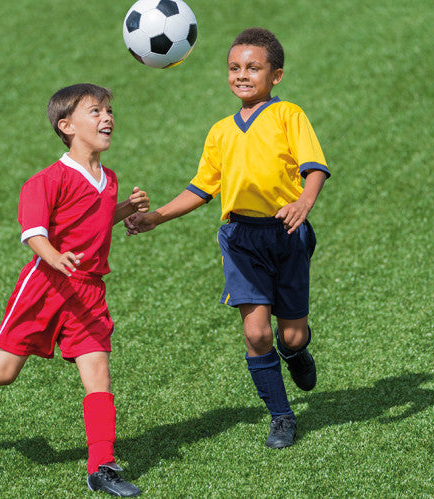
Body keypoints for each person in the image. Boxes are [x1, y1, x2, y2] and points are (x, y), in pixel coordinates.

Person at [0, 83, 147, 497]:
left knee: (98, 375)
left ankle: (101, 466)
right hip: (45, 287)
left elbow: (96, 220)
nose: (107, 117)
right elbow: (33, 233)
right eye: (95, 111)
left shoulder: (110, 180)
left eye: (108, 110)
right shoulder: (46, 180)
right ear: (66, 126)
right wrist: (54, 257)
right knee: (1, 373)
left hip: (88, 293)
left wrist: (125, 211)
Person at [126, 28, 330, 449]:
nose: (242, 75)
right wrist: (156, 217)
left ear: (276, 75)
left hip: (288, 232)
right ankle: (281, 416)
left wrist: (303, 204)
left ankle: (295, 352)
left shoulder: (289, 115)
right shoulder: (220, 131)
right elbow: (202, 188)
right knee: (257, 334)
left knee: (291, 335)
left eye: (253, 68)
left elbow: (314, 168)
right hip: (240, 238)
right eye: (234, 68)